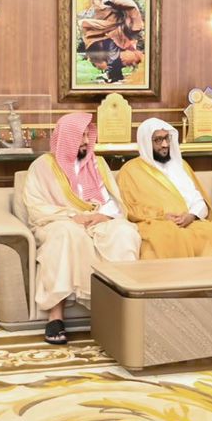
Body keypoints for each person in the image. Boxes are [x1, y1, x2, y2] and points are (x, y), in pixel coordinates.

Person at [23, 111, 141, 344]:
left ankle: (121, 310)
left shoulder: (98, 163)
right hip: (58, 222)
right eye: (81, 136)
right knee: (66, 234)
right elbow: (35, 206)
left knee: (125, 233)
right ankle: (55, 316)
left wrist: (104, 216)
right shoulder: (42, 166)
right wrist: (71, 215)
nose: (86, 141)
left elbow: (112, 199)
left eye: (88, 135)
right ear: (67, 137)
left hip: (97, 221)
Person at [117, 118, 212, 259]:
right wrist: (162, 217)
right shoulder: (130, 170)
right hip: (155, 224)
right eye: (158, 140)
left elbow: (198, 200)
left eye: (167, 138)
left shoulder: (180, 165)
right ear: (146, 142)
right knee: (167, 238)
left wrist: (192, 215)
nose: (165, 144)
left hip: (189, 222)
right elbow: (129, 208)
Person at [79, 0, 146, 83]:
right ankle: (113, 74)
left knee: (112, 50)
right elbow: (97, 6)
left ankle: (115, 75)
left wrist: (114, 4)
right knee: (87, 26)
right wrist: (108, 6)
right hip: (103, 25)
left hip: (115, 27)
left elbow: (130, 5)